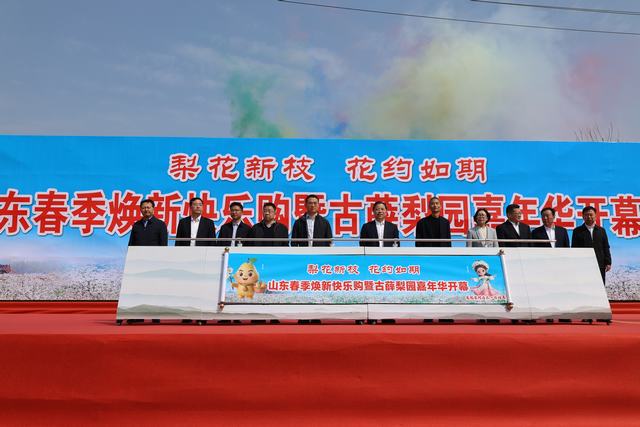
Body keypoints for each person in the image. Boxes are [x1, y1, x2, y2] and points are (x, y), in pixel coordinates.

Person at [572, 206, 612, 283]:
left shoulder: (601, 230)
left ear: (595, 216)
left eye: (591, 214)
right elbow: (574, 248)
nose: (589, 217)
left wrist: (608, 262)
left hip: (599, 263)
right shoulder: (577, 231)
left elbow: (606, 247)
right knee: (585, 284)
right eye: (586, 215)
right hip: (583, 264)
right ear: (583, 217)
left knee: (600, 284)